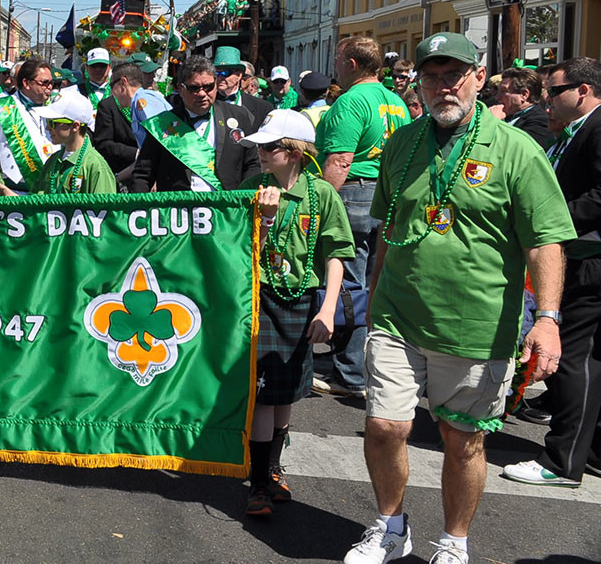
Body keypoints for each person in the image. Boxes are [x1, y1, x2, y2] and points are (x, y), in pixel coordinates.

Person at [342, 33, 573, 564]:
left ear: (477, 76)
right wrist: (374, 299)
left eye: (454, 75)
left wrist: (548, 319)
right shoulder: (401, 143)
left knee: (461, 438)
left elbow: (545, 242)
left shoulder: (517, 149)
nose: (443, 87)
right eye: (432, 77)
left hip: (477, 323)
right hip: (397, 317)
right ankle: (390, 526)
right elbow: (389, 231)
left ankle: (454, 542)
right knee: (384, 425)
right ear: (417, 82)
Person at [238, 109, 353, 518]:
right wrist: (265, 219)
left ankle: (272, 466)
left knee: (286, 393)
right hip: (263, 297)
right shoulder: (254, 188)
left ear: (295, 151)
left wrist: (327, 308)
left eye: (269, 146)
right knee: (265, 394)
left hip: (302, 300)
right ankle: (259, 483)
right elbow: (242, 250)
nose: (261, 153)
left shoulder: (321, 194)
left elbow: (337, 253)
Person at [501, 57, 601, 489]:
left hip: (589, 261)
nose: (546, 100)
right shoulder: (575, 130)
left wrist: (550, 223)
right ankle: (588, 450)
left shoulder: (597, 128)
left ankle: (563, 461)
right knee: (585, 360)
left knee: (573, 358)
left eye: (553, 91)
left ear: (583, 91)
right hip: (579, 255)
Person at [313, 36, 410, 399]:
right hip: (387, 194)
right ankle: (359, 360)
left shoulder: (351, 101)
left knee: (348, 285)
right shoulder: (396, 101)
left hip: (354, 193)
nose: (335, 64)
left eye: (338, 58)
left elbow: (340, 159)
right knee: (372, 283)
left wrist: (321, 202)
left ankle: (351, 372)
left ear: (351, 64)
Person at [130, 55, 259, 193]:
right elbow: (143, 175)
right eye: (194, 88)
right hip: (179, 210)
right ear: (180, 88)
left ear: (216, 84)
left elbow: (252, 164)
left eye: (208, 87)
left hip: (226, 210)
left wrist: (242, 200)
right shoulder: (161, 124)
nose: (202, 93)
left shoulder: (239, 116)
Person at [0, 59, 58, 191]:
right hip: (12, 190)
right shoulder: (0, 106)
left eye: (51, 83)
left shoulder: (56, 107)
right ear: (26, 83)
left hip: (48, 192)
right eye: (44, 83)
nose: (50, 87)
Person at [93, 62, 142, 183]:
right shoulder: (108, 106)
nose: (110, 89)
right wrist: (136, 153)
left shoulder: (150, 103)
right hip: (123, 173)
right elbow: (103, 143)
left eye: (112, 85)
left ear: (123, 82)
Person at [492, 67, 553, 150]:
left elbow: (516, 150)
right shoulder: (508, 115)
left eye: (504, 91)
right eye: (498, 91)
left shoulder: (540, 120)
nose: (497, 97)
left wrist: (494, 124)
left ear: (524, 95)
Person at [212, 47, 273, 128]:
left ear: (239, 75)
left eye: (225, 73)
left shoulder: (262, 108)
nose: (220, 78)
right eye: (216, 73)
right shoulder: (207, 104)